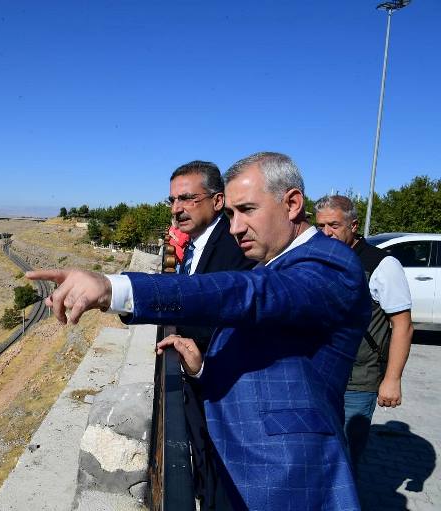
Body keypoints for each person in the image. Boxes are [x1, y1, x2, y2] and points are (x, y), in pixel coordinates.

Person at [28, 152, 371, 510]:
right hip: (237, 461)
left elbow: (247, 295)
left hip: (285, 476)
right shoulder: (273, 262)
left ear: (293, 203)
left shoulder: (330, 264)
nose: (235, 228)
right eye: (232, 214)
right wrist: (204, 367)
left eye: (247, 210)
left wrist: (115, 289)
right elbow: (272, 357)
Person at [164, 160, 254, 509]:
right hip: (197, 377)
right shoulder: (196, 243)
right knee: (203, 467)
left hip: (221, 384)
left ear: (217, 201)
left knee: (221, 480)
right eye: (172, 200)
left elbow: (223, 310)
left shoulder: (234, 247)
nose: (177, 209)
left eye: (187, 198)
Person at [314, 195, 413, 474]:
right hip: (318, 373)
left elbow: (403, 326)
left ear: (354, 226)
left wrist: (392, 380)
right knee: (318, 454)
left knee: (344, 460)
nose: (326, 233)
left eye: (334, 225)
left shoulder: (382, 264)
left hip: (357, 380)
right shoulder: (320, 258)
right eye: (320, 226)